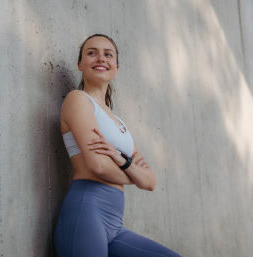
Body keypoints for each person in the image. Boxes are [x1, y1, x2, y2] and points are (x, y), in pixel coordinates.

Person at [53, 34, 181, 257]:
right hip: (86, 212)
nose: (100, 58)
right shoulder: (78, 100)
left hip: (114, 224)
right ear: (80, 65)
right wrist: (134, 175)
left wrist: (122, 160)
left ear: (116, 68)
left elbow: (150, 182)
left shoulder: (119, 122)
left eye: (107, 54)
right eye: (92, 53)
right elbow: (98, 165)